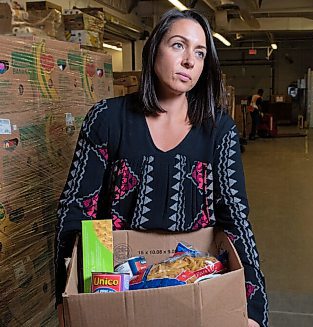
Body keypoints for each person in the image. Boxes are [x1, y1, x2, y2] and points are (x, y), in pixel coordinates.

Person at [54, 9, 268, 327]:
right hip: (118, 290)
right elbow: (77, 212)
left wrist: (253, 310)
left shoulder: (218, 129)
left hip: (196, 287)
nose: (189, 61)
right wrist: (67, 297)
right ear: (154, 48)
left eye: (200, 52)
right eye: (178, 45)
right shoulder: (107, 120)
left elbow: (235, 222)